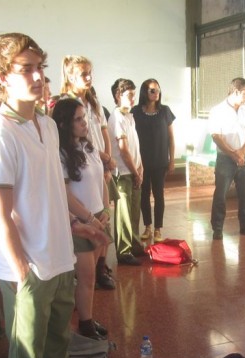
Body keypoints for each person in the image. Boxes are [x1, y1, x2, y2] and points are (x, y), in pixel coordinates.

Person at [0, 32, 100, 358]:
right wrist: (21, 269)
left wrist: (82, 221)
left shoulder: (46, 124)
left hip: (59, 255)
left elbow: (54, 189)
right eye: (25, 69)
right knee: (27, 356)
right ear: (1, 77)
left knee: (55, 345)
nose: (37, 76)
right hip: (26, 266)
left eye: (39, 67)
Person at [52, 98, 111, 340]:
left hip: (98, 217)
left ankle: (87, 318)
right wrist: (88, 219)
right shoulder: (60, 154)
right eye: (78, 119)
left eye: (83, 117)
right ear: (64, 124)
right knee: (86, 276)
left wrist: (105, 210)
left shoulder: (89, 147)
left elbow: (102, 181)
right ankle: (85, 324)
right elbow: (65, 195)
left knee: (91, 275)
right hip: (79, 221)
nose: (84, 123)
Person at [60, 56, 116, 288]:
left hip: (96, 162)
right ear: (70, 76)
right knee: (84, 268)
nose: (89, 77)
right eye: (83, 73)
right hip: (82, 168)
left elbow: (103, 133)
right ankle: (86, 276)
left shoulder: (93, 102)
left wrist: (106, 161)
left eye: (90, 72)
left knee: (105, 221)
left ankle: (101, 268)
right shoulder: (64, 103)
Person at [208, 77, 245, 240]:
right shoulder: (217, 110)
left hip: (244, 157)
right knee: (221, 194)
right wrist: (233, 154)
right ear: (235, 92)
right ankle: (217, 228)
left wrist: (242, 152)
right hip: (225, 158)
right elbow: (216, 136)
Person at [131, 78, 175, 243]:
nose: (156, 93)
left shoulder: (165, 111)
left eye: (158, 90)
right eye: (152, 90)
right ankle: (147, 226)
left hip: (160, 161)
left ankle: (158, 228)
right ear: (145, 92)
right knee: (143, 195)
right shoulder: (135, 111)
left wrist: (171, 159)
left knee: (159, 195)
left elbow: (171, 138)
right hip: (141, 162)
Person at [109, 78, 145, 264]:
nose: (133, 99)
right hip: (123, 173)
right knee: (124, 214)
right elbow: (123, 150)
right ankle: (124, 251)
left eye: (134, 95)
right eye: (129, 95)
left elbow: (134, 146)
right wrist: (135, 171)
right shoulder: (116, 117)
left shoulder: (129, 117)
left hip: (134, 171)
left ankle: (135, 245)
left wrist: (141, 167)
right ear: (118, 95)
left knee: (134, 211)